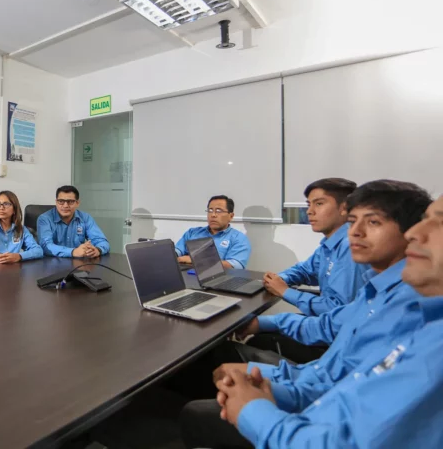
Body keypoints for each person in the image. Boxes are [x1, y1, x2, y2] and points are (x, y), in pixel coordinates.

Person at [179, 180, 433, 449]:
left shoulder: (415, 316)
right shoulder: (376, 288)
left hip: (313, 421)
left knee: (198, 406)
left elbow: (337, 410)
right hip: (316, 393)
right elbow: (329, 368)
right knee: (230, 360)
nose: (355, 232)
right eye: (354, 221)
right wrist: (277, 289)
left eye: (372, 222)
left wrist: (255, 403)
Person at [248, 178, 368, 362]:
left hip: (339, 342)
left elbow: (337, 310)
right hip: (329, 324)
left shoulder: (350, 246)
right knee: (263, 334)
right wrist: (279, 279)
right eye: (308, 204)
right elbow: (306, 270)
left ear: (344, 207)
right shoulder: (329, 245)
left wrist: (285, 291)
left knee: (258, 342)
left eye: (319, 204)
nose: (309, 211)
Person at [175, 195, 251, 269]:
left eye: (219, 211)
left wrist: (196, 260)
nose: (213, 215)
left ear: (231, 216)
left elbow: (234, 266)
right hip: (186, 275)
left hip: (217, 279)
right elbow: (177, 251)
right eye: (210, 210)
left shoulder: (239, 238)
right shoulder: (192, 232)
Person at [37, 185, 110, 258]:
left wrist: (97, 250)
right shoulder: (45, 219)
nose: (65, 206)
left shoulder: (85, 218)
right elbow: (46, 246)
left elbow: (101, 241)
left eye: (70, 202)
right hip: (52, 264)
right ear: (56, 202)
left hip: (78, 264)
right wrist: (73, 252)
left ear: (77, 203)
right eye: (61, 201)